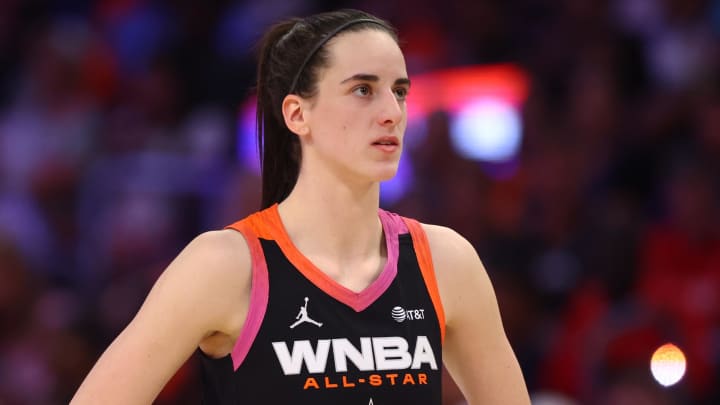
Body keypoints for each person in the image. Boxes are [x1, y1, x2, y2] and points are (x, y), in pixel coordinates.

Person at [71, 8, 530, 404]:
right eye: (363, 90)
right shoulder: (224, 266)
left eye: (400, 90)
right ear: (297, 114)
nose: (392, 111)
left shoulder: (447, 260)